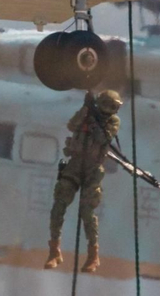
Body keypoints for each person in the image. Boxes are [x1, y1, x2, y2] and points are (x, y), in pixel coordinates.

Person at [44, 90, 121, 273]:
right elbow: (72, 126)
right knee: (58, 206)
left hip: (93, 169)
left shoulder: (112, 122)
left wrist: (93, 120)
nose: (112, 110)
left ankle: (93, 255)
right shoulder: (88, 113)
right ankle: (54, 250)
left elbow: (102, 138)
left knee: (87, 212)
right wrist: (85, 111)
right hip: (76, 163)